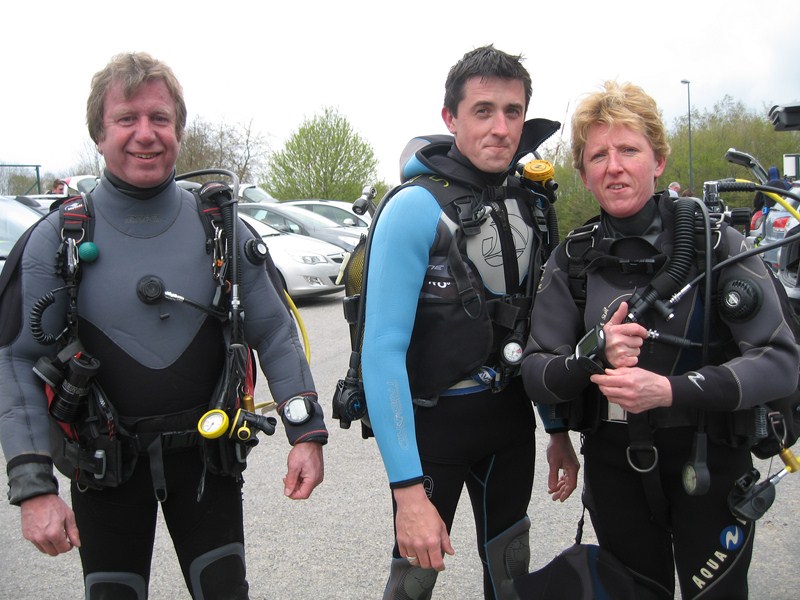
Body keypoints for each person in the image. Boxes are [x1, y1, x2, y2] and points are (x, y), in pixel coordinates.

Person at [0, 52, 328, 600]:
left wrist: (306, 432)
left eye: (160, 119)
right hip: (103, 467)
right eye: (126, 118)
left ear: (178, 128)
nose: (145, 134)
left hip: (207, 461)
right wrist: (33, 487)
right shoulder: (54, 241)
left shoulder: (221, 227)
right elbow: (15, 359)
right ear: (99, 135)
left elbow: (272, 330)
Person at [520, 81, 799, 599]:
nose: (614, 166)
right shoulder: (572, 262)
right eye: (598, 155)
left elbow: (781, 361)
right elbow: (537, 371)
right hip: (614, 467)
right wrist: (593, 353)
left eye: (629, 149)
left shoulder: (716, 247)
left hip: (709, 463)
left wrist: (671, 391)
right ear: (583, 172)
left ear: (659, 160)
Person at [359, 45, 579, 600]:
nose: (501, 128)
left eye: (513, 111)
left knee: (512, 571)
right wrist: (408, 492)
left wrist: (554, 429)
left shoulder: (530, 205)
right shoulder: (414, 207)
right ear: (450, 119)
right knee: (413, 580)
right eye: (483, 110)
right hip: (434, 432)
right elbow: (381, 352)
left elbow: (536, 332)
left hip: (509, 425)